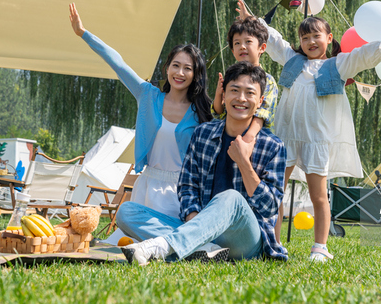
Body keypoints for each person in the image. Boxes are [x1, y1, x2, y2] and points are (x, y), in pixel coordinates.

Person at [237, 0, 381, 262]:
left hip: (317, 140)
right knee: (276, 192)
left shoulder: (338, 65)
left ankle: (320, 246)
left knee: (319, 195)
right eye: (305, 37)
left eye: (316, 36)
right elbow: (273, 40)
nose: (310, 42)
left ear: (329, 38)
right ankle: (273, 242)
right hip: (286, 137)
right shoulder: (293, 60)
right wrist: (252, 20)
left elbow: (362, 55)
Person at [116, 61, 287, 265]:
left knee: (231, 198)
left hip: (245, 239)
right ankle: (205, 249)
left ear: (260, 101)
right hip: (203, 228)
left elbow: (270, 208)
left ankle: (163, 247)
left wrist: (244, 163)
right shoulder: (203, 134)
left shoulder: (273, 146)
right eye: (234, 90)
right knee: (127, 212)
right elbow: (187, 186)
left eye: (249, 93)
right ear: (223, 96)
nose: (241, 98)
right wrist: (195, 220)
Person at [68, 3, 212, 218]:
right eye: (175, 65)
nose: (180, 72)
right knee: (132, 230)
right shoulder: (148, 96)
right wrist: (84, 34)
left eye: (188, 68)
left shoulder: (200, 112)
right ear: (167, 68)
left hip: (184, 191)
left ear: (195, 75)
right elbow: (118, 64)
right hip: (148, 186)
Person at [211, 12, 279, 136]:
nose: (242, 46)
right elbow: (219, 113)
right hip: (229, 136)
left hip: (256, 140)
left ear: (262, 47)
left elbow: (262, 115)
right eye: (237, 43)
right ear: (232, 50)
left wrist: (246, 140)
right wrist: (219, 95)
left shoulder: (268, 80)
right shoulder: (231, 77)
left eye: (248, 42)